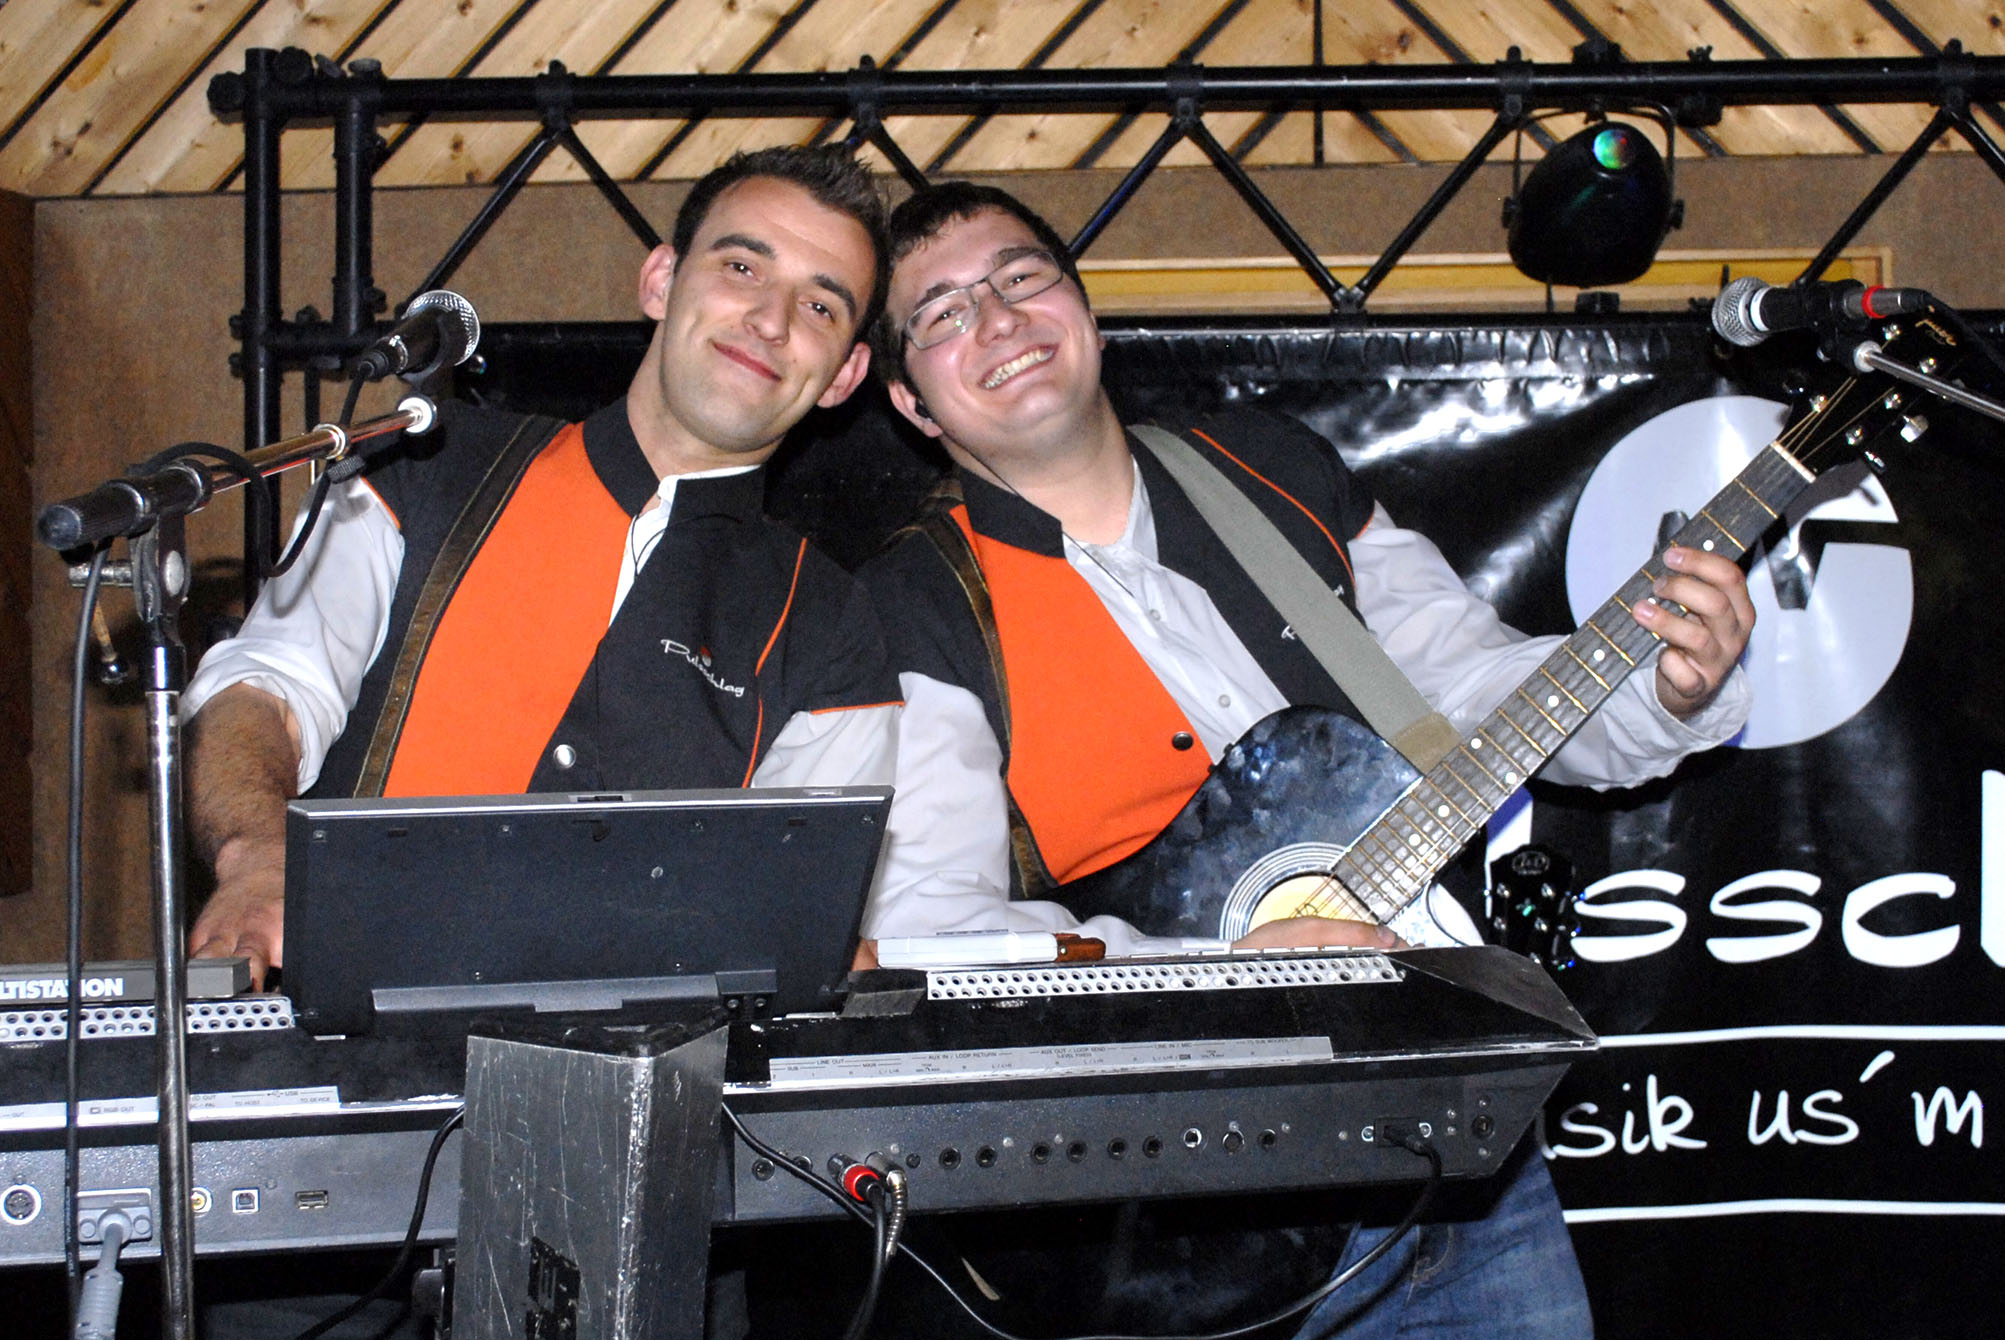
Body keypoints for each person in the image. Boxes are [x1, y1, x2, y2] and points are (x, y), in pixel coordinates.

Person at [856, 182, 1756, 1337]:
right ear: (908, 399)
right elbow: (932, 926)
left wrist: (1661, 685)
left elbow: (1466, 685)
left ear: (1083, 307)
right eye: (941, 313)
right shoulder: (912, 603)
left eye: (1022, 276)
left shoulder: (1271, 468)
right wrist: (1213, 967)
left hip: (1457, 1154)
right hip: (1187, 1221)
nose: (997, 318)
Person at [183, 144, 899, 988]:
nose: (771, 320)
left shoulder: (830, 626)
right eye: (742, 266)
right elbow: (264, 692)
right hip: (344, 1034)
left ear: (845, 374)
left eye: (819, 306)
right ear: (661, 281)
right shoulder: (424, 466)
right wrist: (259, 856)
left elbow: (788, 909)